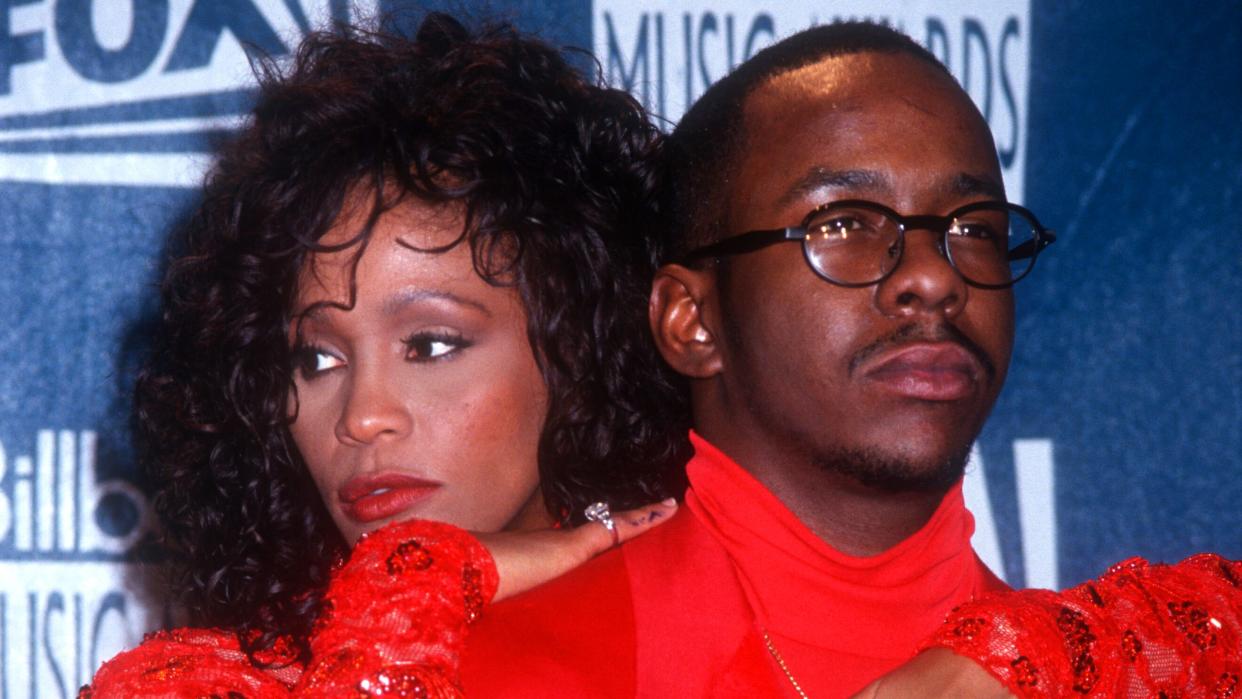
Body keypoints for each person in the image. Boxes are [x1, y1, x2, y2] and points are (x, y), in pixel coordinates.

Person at [84, 14, 689, 697]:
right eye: (314, 360)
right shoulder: (194, 683)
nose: (364, 416)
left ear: (581, 350)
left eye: (430, 344)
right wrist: (414, 583)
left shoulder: (702, 639)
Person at [457, 20, 1055, 697]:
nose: (934, 276)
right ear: (694, 321)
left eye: (974, 227)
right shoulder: (500, 674)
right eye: (844, 223)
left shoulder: (1123, 671)